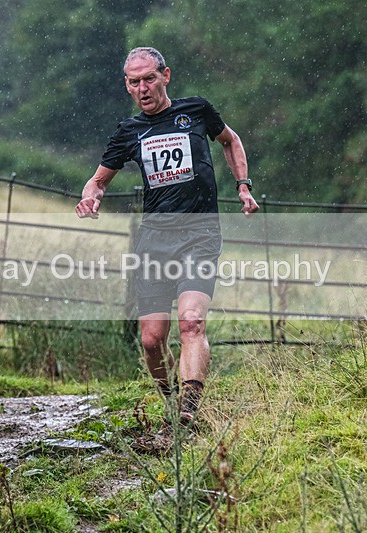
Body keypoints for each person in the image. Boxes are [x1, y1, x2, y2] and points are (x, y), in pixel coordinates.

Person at [76, 47, 258, 436]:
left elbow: (231, 140)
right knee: (151, 339)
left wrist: (243, 185)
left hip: (200, 232)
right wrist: (91, 195)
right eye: (133, 82)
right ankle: (173, 400)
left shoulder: (196, 111)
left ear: (166, 76)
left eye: (149, 79)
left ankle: (188, 413)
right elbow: (99, 179)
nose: (142, 88)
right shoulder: (129, 132)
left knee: (191, 322)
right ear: (126, 85)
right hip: (155, 241)